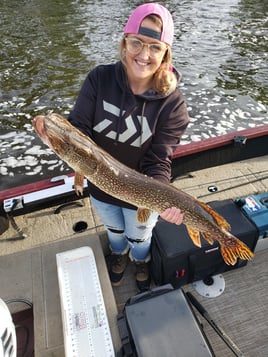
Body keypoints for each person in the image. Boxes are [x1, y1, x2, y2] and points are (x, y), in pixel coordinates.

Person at [68, 3, 190, 291]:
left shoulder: (173, 105)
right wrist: (75, 163)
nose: (144, 55)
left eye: (154, 47)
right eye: (137, 42)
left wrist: (164, 199)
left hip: (143, 200)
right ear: (125, 43)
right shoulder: (100, 79)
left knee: (140, 236)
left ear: (164, 54)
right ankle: (119, 255)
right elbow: (79, 130)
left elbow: (159, 161)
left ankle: (139, 260)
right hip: (101, 189)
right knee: (114, 231)